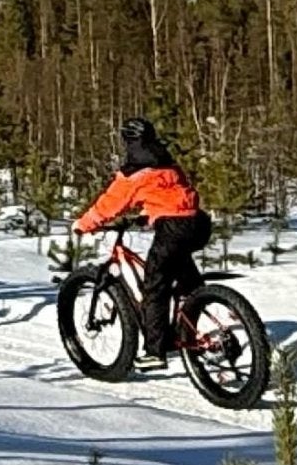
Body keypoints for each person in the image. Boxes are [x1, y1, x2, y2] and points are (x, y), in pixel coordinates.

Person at [74, 116, 212, 361]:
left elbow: (109, 205)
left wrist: (84, 224)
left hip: (173, 228)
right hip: (198, 223)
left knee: (154, 285)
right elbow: (170, 194)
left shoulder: (134, 169)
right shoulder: (165, 159)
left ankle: (155, 352)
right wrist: (149, 213)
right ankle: (201, 308)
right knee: (181, 273)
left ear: (127, 139)